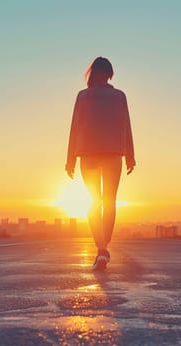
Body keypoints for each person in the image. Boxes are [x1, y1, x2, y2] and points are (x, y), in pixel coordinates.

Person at [66, 57, 136, 271]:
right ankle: (103, 248)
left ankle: (101, 247)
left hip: (87, 154)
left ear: (92, 73)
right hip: (114, 154)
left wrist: (70, 160)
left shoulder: (83, 96)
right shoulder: (119, 96)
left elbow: (74, 128)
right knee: (109, 201)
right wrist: (130, 156)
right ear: (110, 74)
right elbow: (126, 126)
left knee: (93, 202)